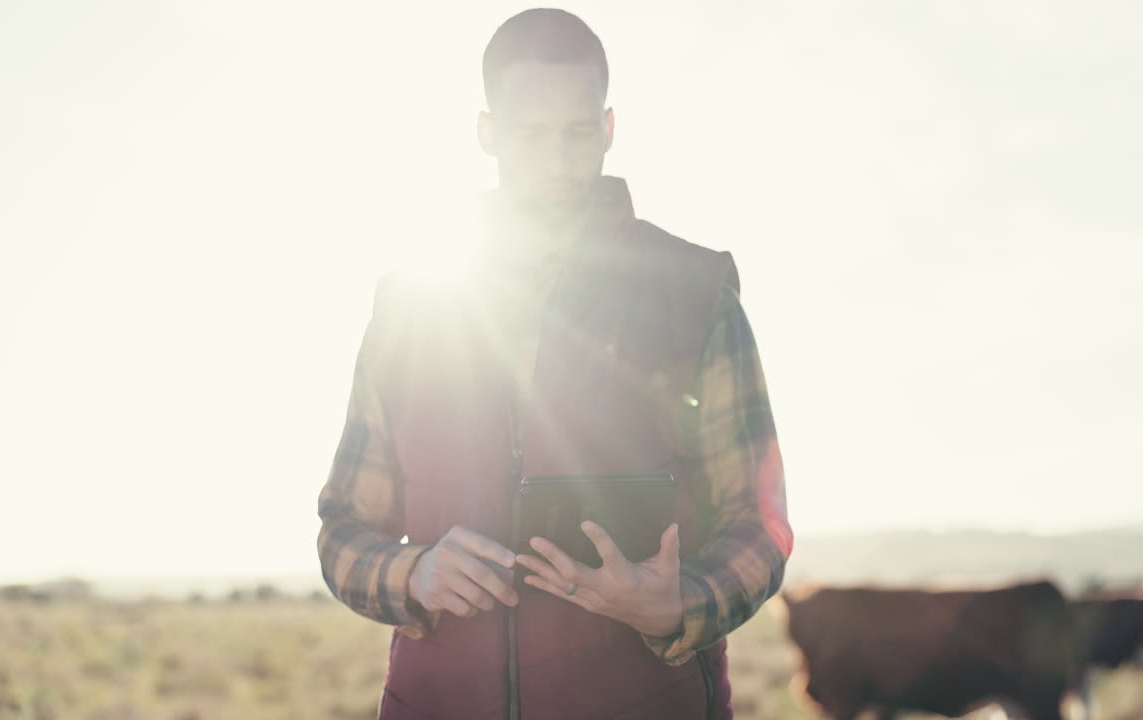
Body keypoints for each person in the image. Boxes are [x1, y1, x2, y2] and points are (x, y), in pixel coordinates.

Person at [315, 8, 791, 719]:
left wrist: (680, 605)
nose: (558, 163)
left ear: (608, 128)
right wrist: (412, 572)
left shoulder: (696, 296)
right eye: (530, 136)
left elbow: (761, 523)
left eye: (577, 134)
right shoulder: (410, 308)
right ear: (487, 133)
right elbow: (343, 530)